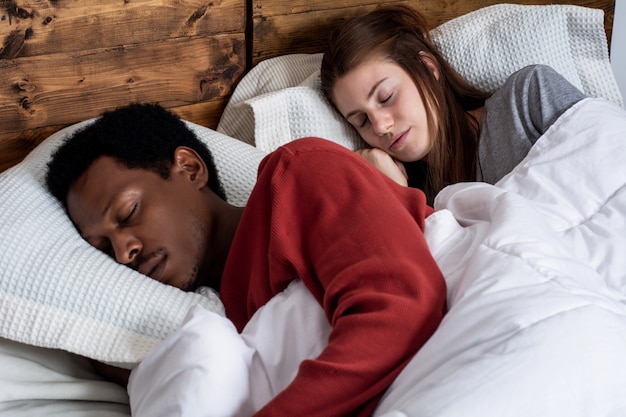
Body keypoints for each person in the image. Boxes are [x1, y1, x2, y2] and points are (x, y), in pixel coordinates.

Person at [45, 102, 447, 417]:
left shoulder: (296, 175)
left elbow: (400, 305)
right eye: (101, 248)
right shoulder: (216, 317)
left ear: (189, 168)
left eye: (128, 213)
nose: (123, 252)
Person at [320, 4, 586, 202]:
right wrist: (396, 194)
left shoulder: (528, 97)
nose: (379, 126)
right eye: (362, 121)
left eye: (386, 97)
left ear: (427, 68)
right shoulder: (418, 200)